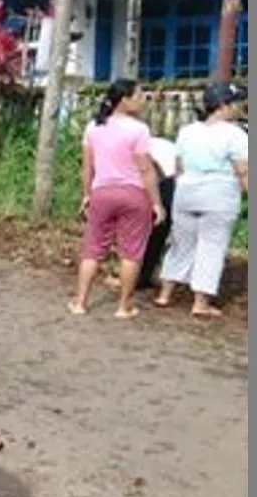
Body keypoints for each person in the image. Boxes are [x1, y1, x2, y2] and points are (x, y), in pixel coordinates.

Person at [69, 79, 165, 319]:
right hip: (133, 195)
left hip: (102, 193)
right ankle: (124, 306)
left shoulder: (93, 127)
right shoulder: (138, 130)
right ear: (125, 99)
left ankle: (80, 302)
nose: (142, 99)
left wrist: (87, 194)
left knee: (92, 249)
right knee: (131, 253)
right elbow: (146, 169)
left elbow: (87, 167)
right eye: (139, 95)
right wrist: (156, 202)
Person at [154, 83, 249, 317]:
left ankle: (165, 294)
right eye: (236, 102)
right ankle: (201, 302)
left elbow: (178, 167)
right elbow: (243, 171)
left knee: (180, 243)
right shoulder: (236, 134)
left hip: (186, 193)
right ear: (224, 106)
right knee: (212, 246)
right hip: (219, 195)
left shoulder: (187, 131)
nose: (240, 107)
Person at [134, 136, 179, 290]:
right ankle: (145, 276)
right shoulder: (158, 143)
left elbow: (151, 168)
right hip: (178, 182)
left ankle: (137, 277)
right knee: (158, 233)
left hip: (168, 181)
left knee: (151, 232)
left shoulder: (138, 144)